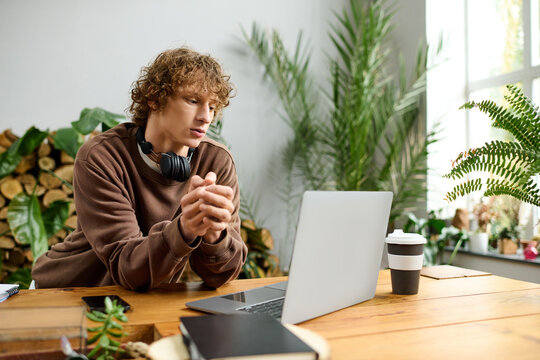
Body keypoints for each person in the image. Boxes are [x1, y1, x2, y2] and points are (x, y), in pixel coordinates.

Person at [32, 47, 247, 290]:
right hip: (65, 294)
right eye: (193, 100)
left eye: (212, 106)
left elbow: (222, 276)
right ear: (154, 97)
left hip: (138, 301)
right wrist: (184, 229)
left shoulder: (215, 161)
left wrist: (215, 236)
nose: (205, 117)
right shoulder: (101, 157)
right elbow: (127, 268)